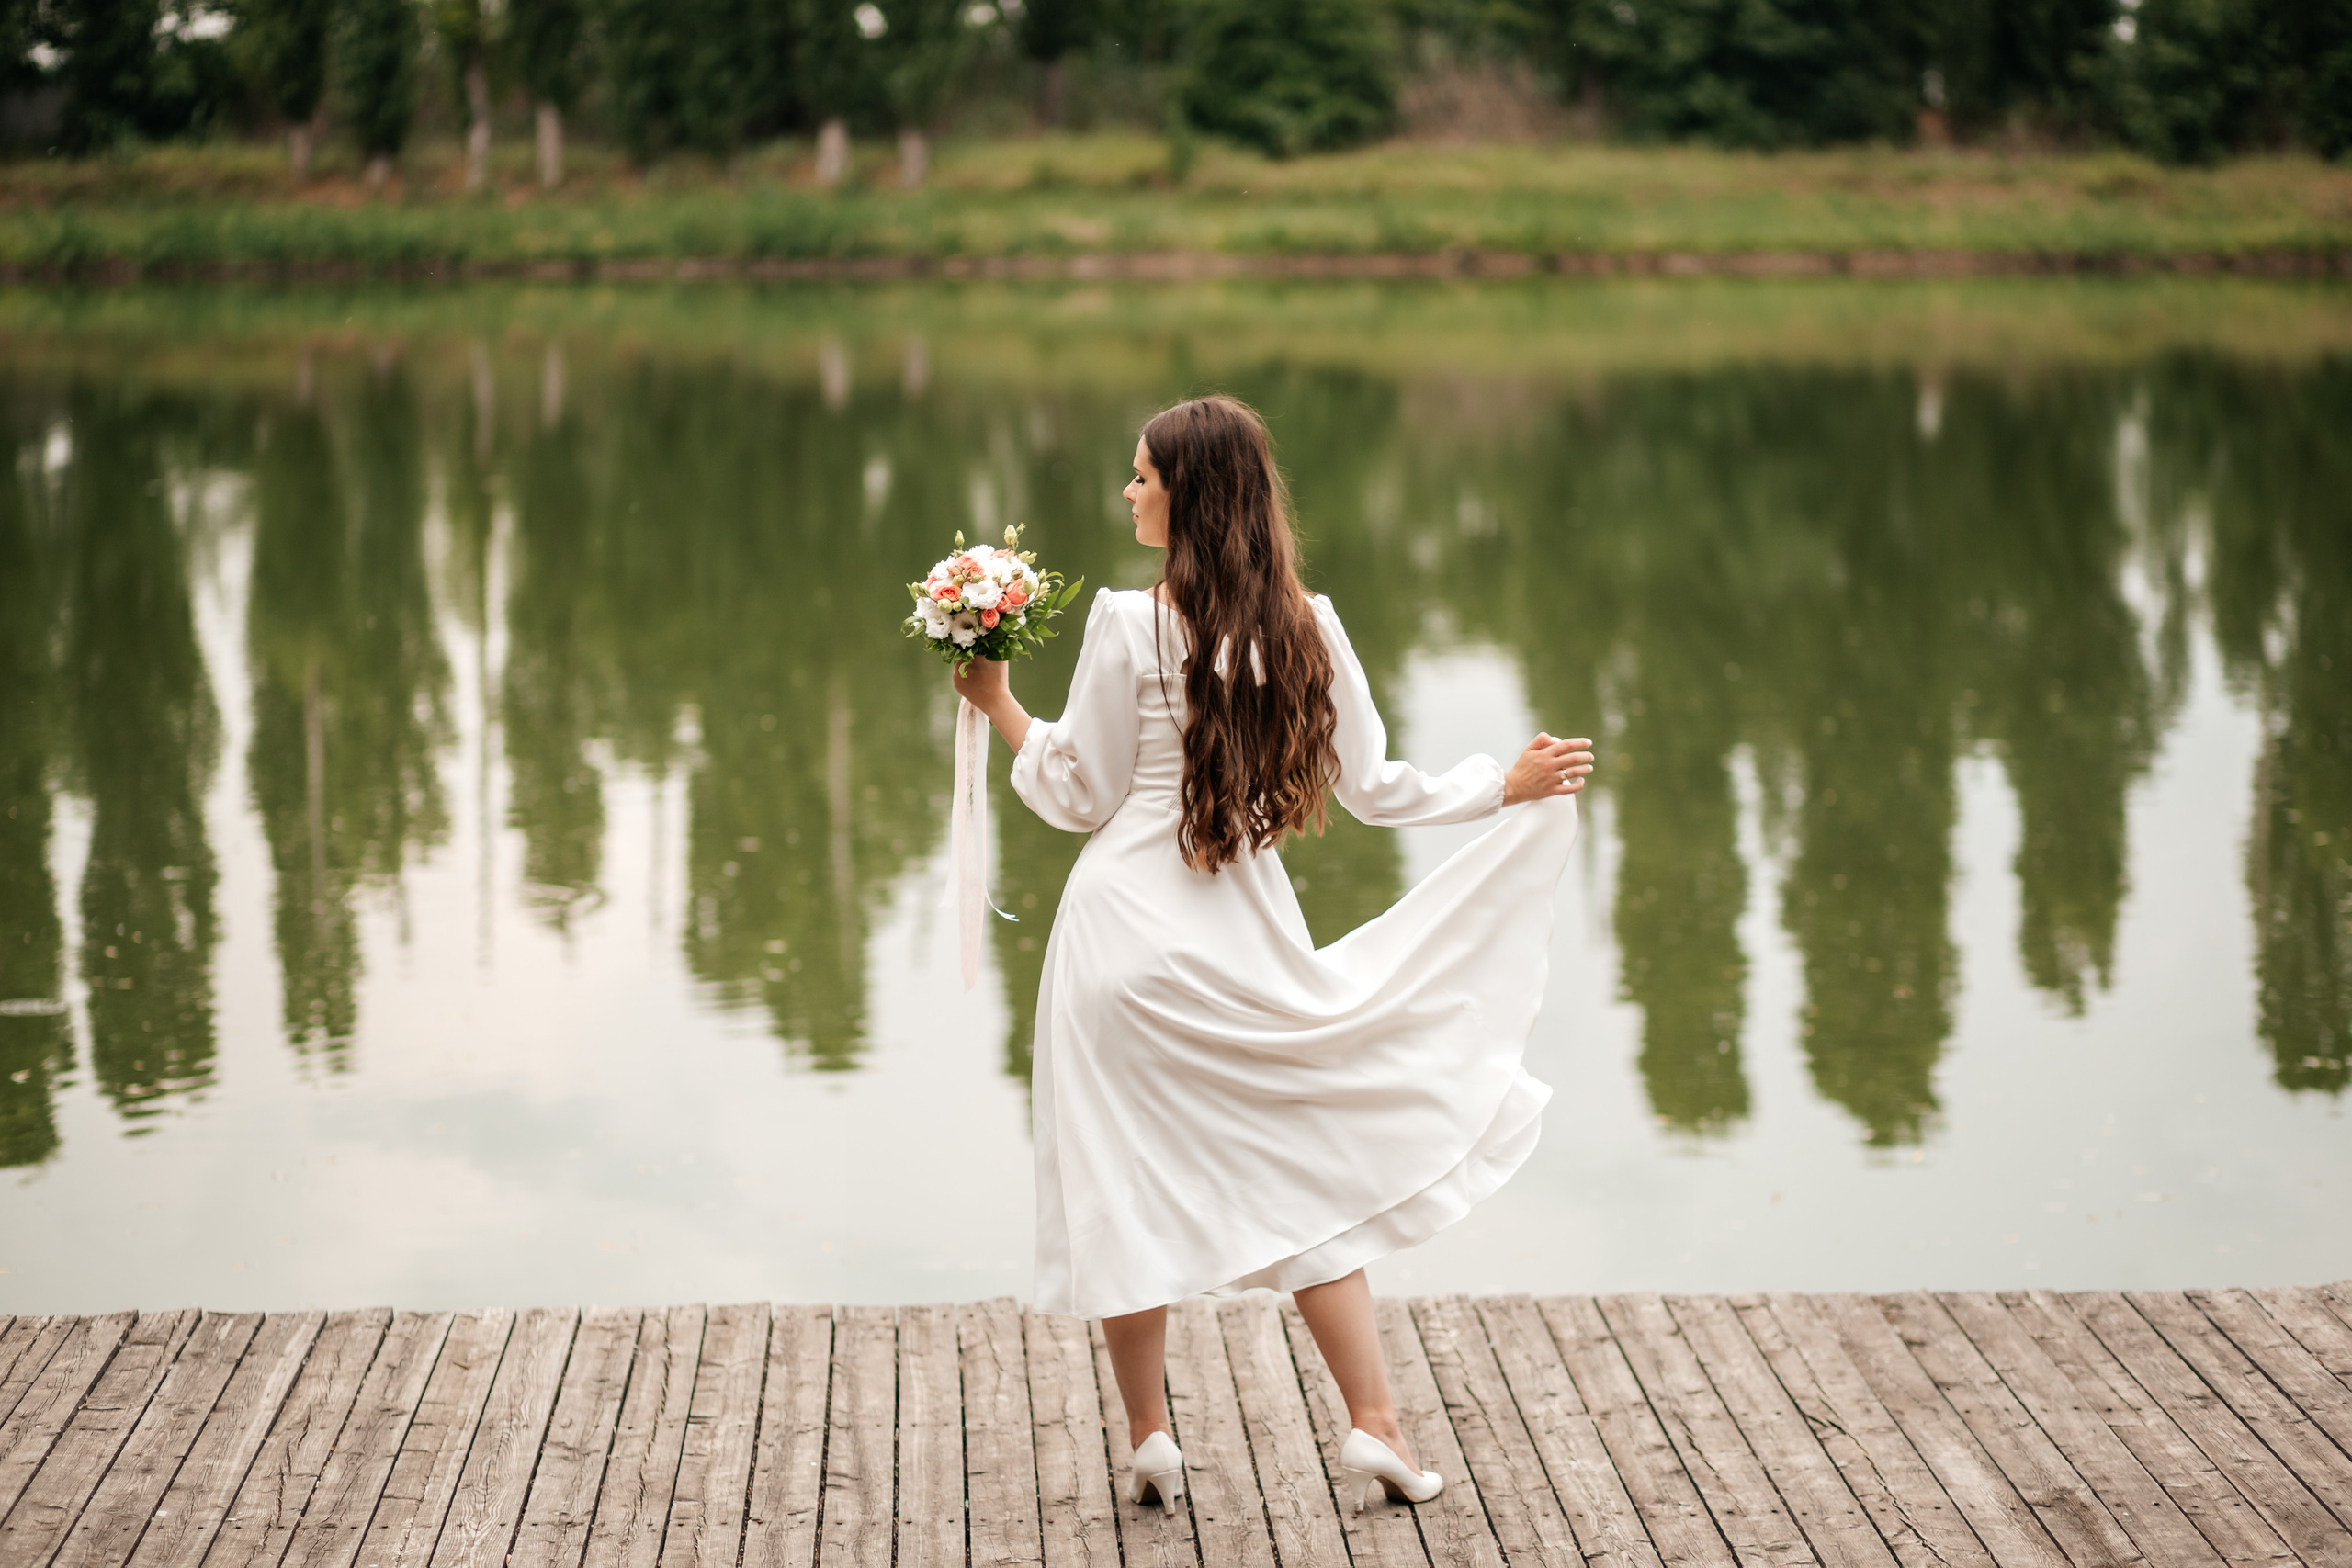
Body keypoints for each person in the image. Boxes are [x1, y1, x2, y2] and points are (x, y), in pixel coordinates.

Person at [950, 394, 1592, 1516]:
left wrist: (1000, 704)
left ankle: (1150, 1437)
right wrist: (1503, 784)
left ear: (1188, 493)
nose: (1128, 490)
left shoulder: (1122, 621)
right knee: (1302, 1170)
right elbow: (1378, 789)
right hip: (1236, 930)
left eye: (1142, 475)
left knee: (1118, 1179)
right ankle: (1376, 1424)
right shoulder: (1308, 625)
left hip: (1117, 941)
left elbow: (1081, 792)